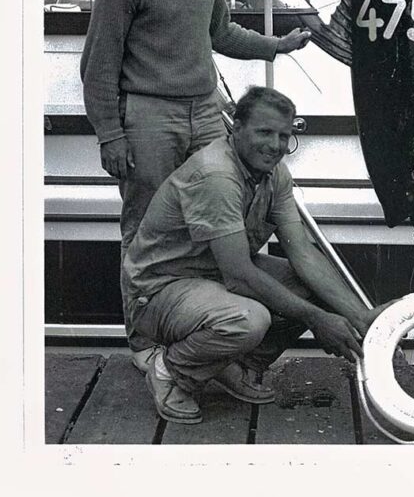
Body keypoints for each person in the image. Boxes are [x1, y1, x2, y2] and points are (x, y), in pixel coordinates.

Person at [80, 0, 311, 368]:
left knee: (220, 216)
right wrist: (110, 136)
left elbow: (222, 35)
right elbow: (97, 68)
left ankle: (213, 330)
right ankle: (145, 344)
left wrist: (278, 46)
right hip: (148, 117)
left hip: (206, 110)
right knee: (145, 228)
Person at [123, 86, 386, 424]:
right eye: (264, 132)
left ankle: (236, 367)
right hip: (160, 289)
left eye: (283, 136)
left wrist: (358, 316)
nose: (275, 146)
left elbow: (303, 254)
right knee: (249, 319)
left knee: (308, 286)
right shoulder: (217, 174)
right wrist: (317, 319)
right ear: (236, 126)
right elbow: (239, 275)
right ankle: (171, 372)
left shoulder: (275, 174)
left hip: (211, 277)